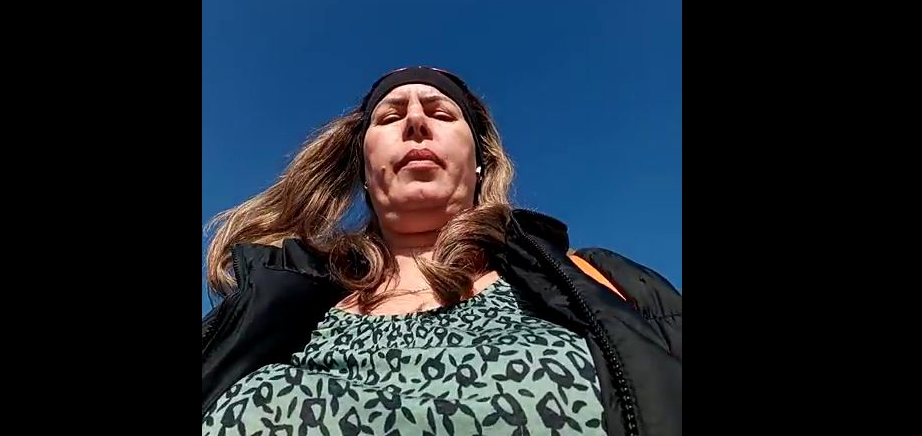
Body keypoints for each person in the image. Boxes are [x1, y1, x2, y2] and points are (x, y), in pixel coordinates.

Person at [202, 66, 681, 436]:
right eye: (390, 117)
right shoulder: (267, 309)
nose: (415, 121)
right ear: (364, 169)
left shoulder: (602, 284)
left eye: (442, 113)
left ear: (480, 162)